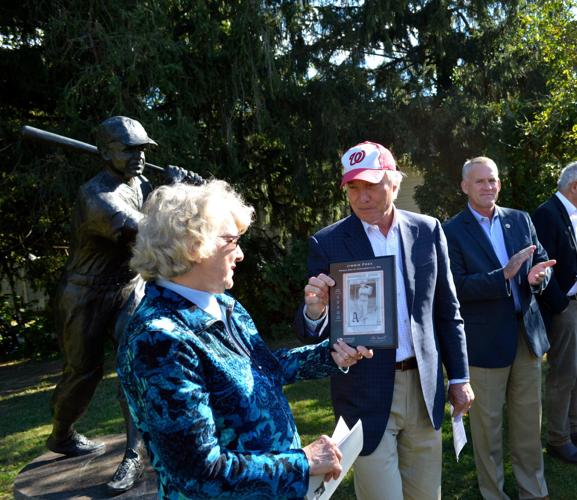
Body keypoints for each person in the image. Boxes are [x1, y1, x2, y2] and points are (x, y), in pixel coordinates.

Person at [116, 180, 373, 499]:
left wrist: (330, 355)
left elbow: (263, 369)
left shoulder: (225, 305)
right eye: (231, 241)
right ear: (194, 243)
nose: (240, 254)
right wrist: (303, 462)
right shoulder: (158, 339)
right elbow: (198, 472)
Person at [294, 141, 473, 500]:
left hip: (424, 388)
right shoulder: (328, 242)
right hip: (364, 390)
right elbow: (315, 330)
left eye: (371, 185)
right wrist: (315, 311)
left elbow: (446, 310)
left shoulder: (427, 230)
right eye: (353, 188)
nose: (362, 197)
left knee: (426, 494)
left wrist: (460, 377)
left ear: (394, 182)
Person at [46, 116, 203, 493]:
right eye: (128, 149)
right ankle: (61, 434)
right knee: (82, 374)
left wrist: (186, 192)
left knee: (137, 365)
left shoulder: (143, 184)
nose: (138, 157)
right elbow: (149, 232)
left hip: (128, 289)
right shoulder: (96, 196)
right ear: (105, 152)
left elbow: (176, 219)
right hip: (84, 293)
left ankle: (134, 455)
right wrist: (177, 190)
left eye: (143, 150)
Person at [443, 156, 555, 500]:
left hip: (526, 338)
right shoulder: (451, 231)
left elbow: (542, 262)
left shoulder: (520, 220)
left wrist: (539, 278)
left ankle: (533, 492)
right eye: (480, 181)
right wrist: (502, 276)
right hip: (484, 344)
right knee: (487, 432)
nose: (488, 186)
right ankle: (494, 494)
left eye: (492, 180)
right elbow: (455, 287)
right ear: (464, 186)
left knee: (527, 428)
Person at [532, 161, 577, 464]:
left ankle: (573, 429)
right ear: (575, 187)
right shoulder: (547, 214)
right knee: (564, 373)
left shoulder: (572, 212)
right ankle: (559, 439)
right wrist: (561, 306)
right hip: (566, 308)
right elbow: (542, 267)